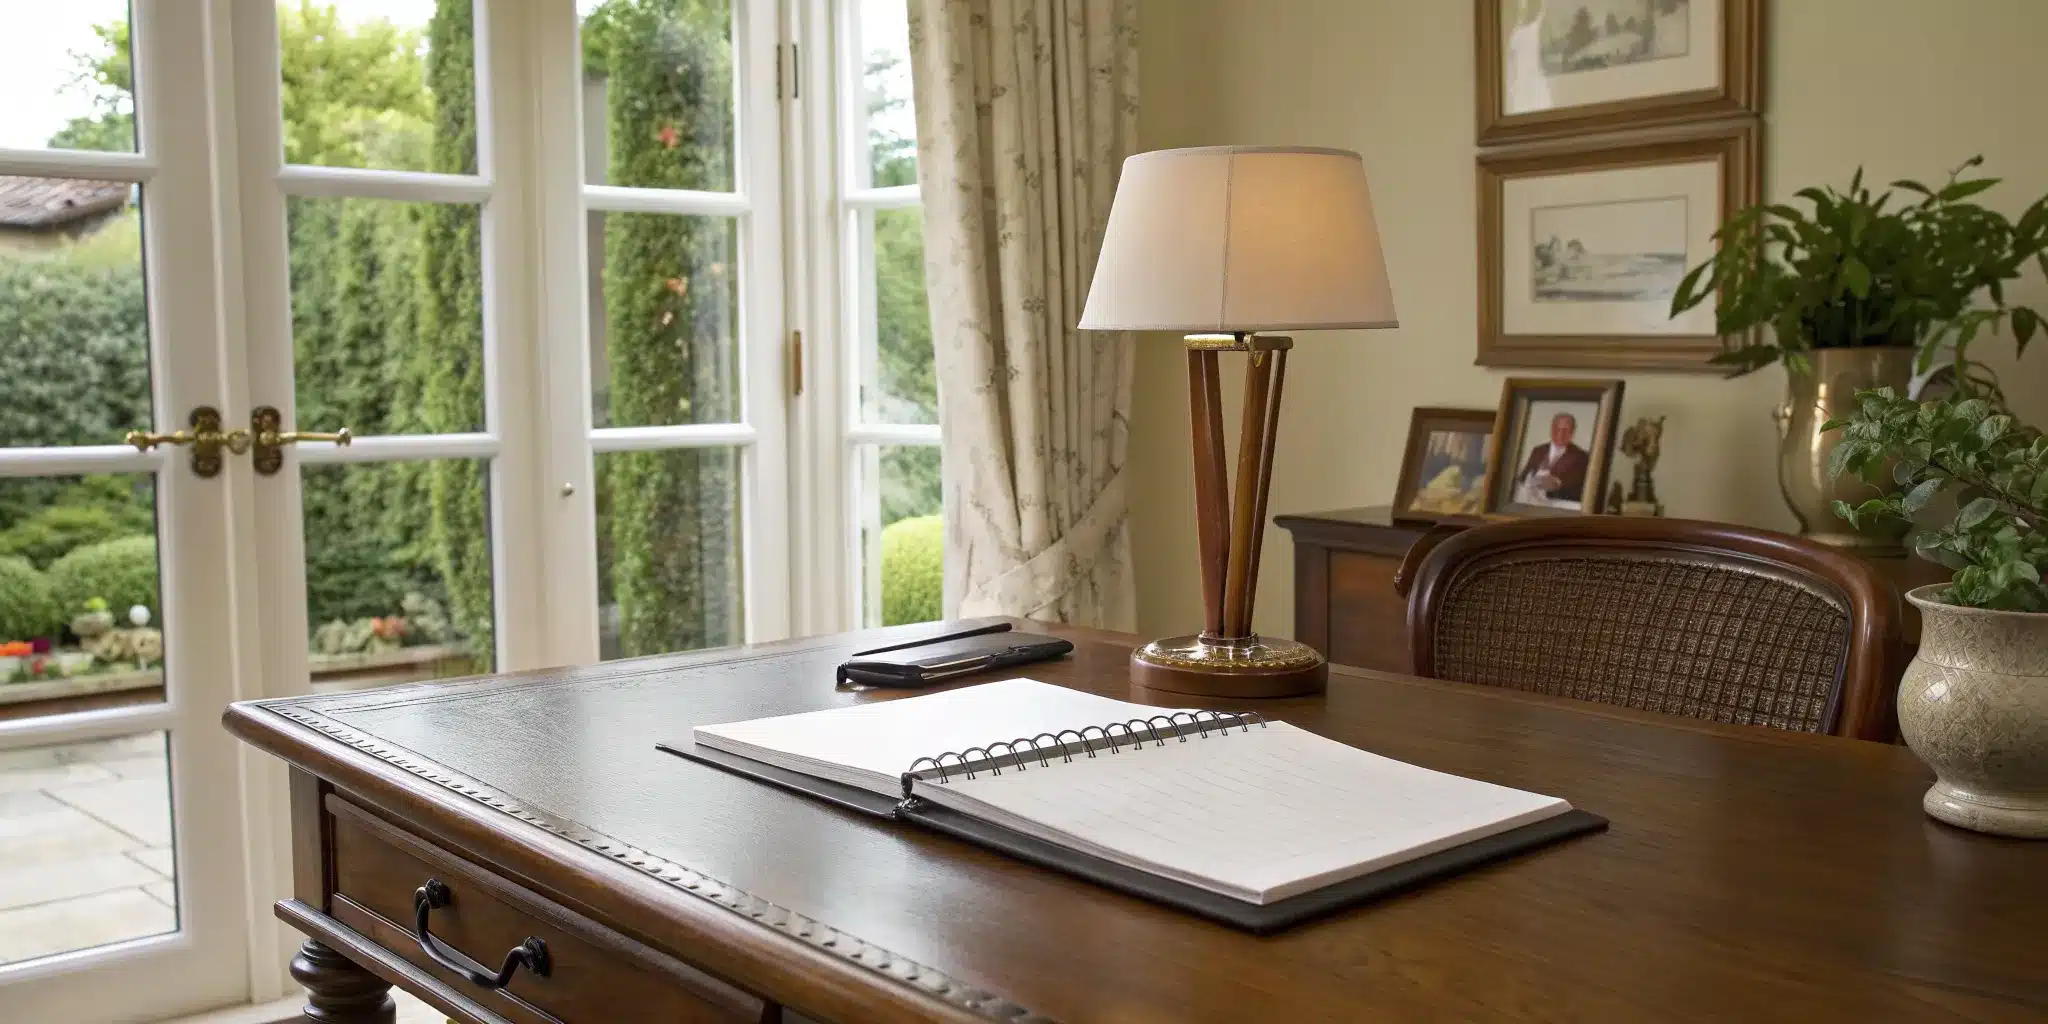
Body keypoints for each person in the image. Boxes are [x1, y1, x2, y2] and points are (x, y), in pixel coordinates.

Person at [1513, 411, 1588, 507]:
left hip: (1560, 508)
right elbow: (1524, 477)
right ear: (1551, 428)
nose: (1560, 434)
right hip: (1532, 504)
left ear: (1572, 432)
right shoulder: (1538, 450)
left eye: (1565, 430)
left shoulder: (1582, 456)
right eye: (1556, 429)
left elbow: (1580, 490)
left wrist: (1557, 484)